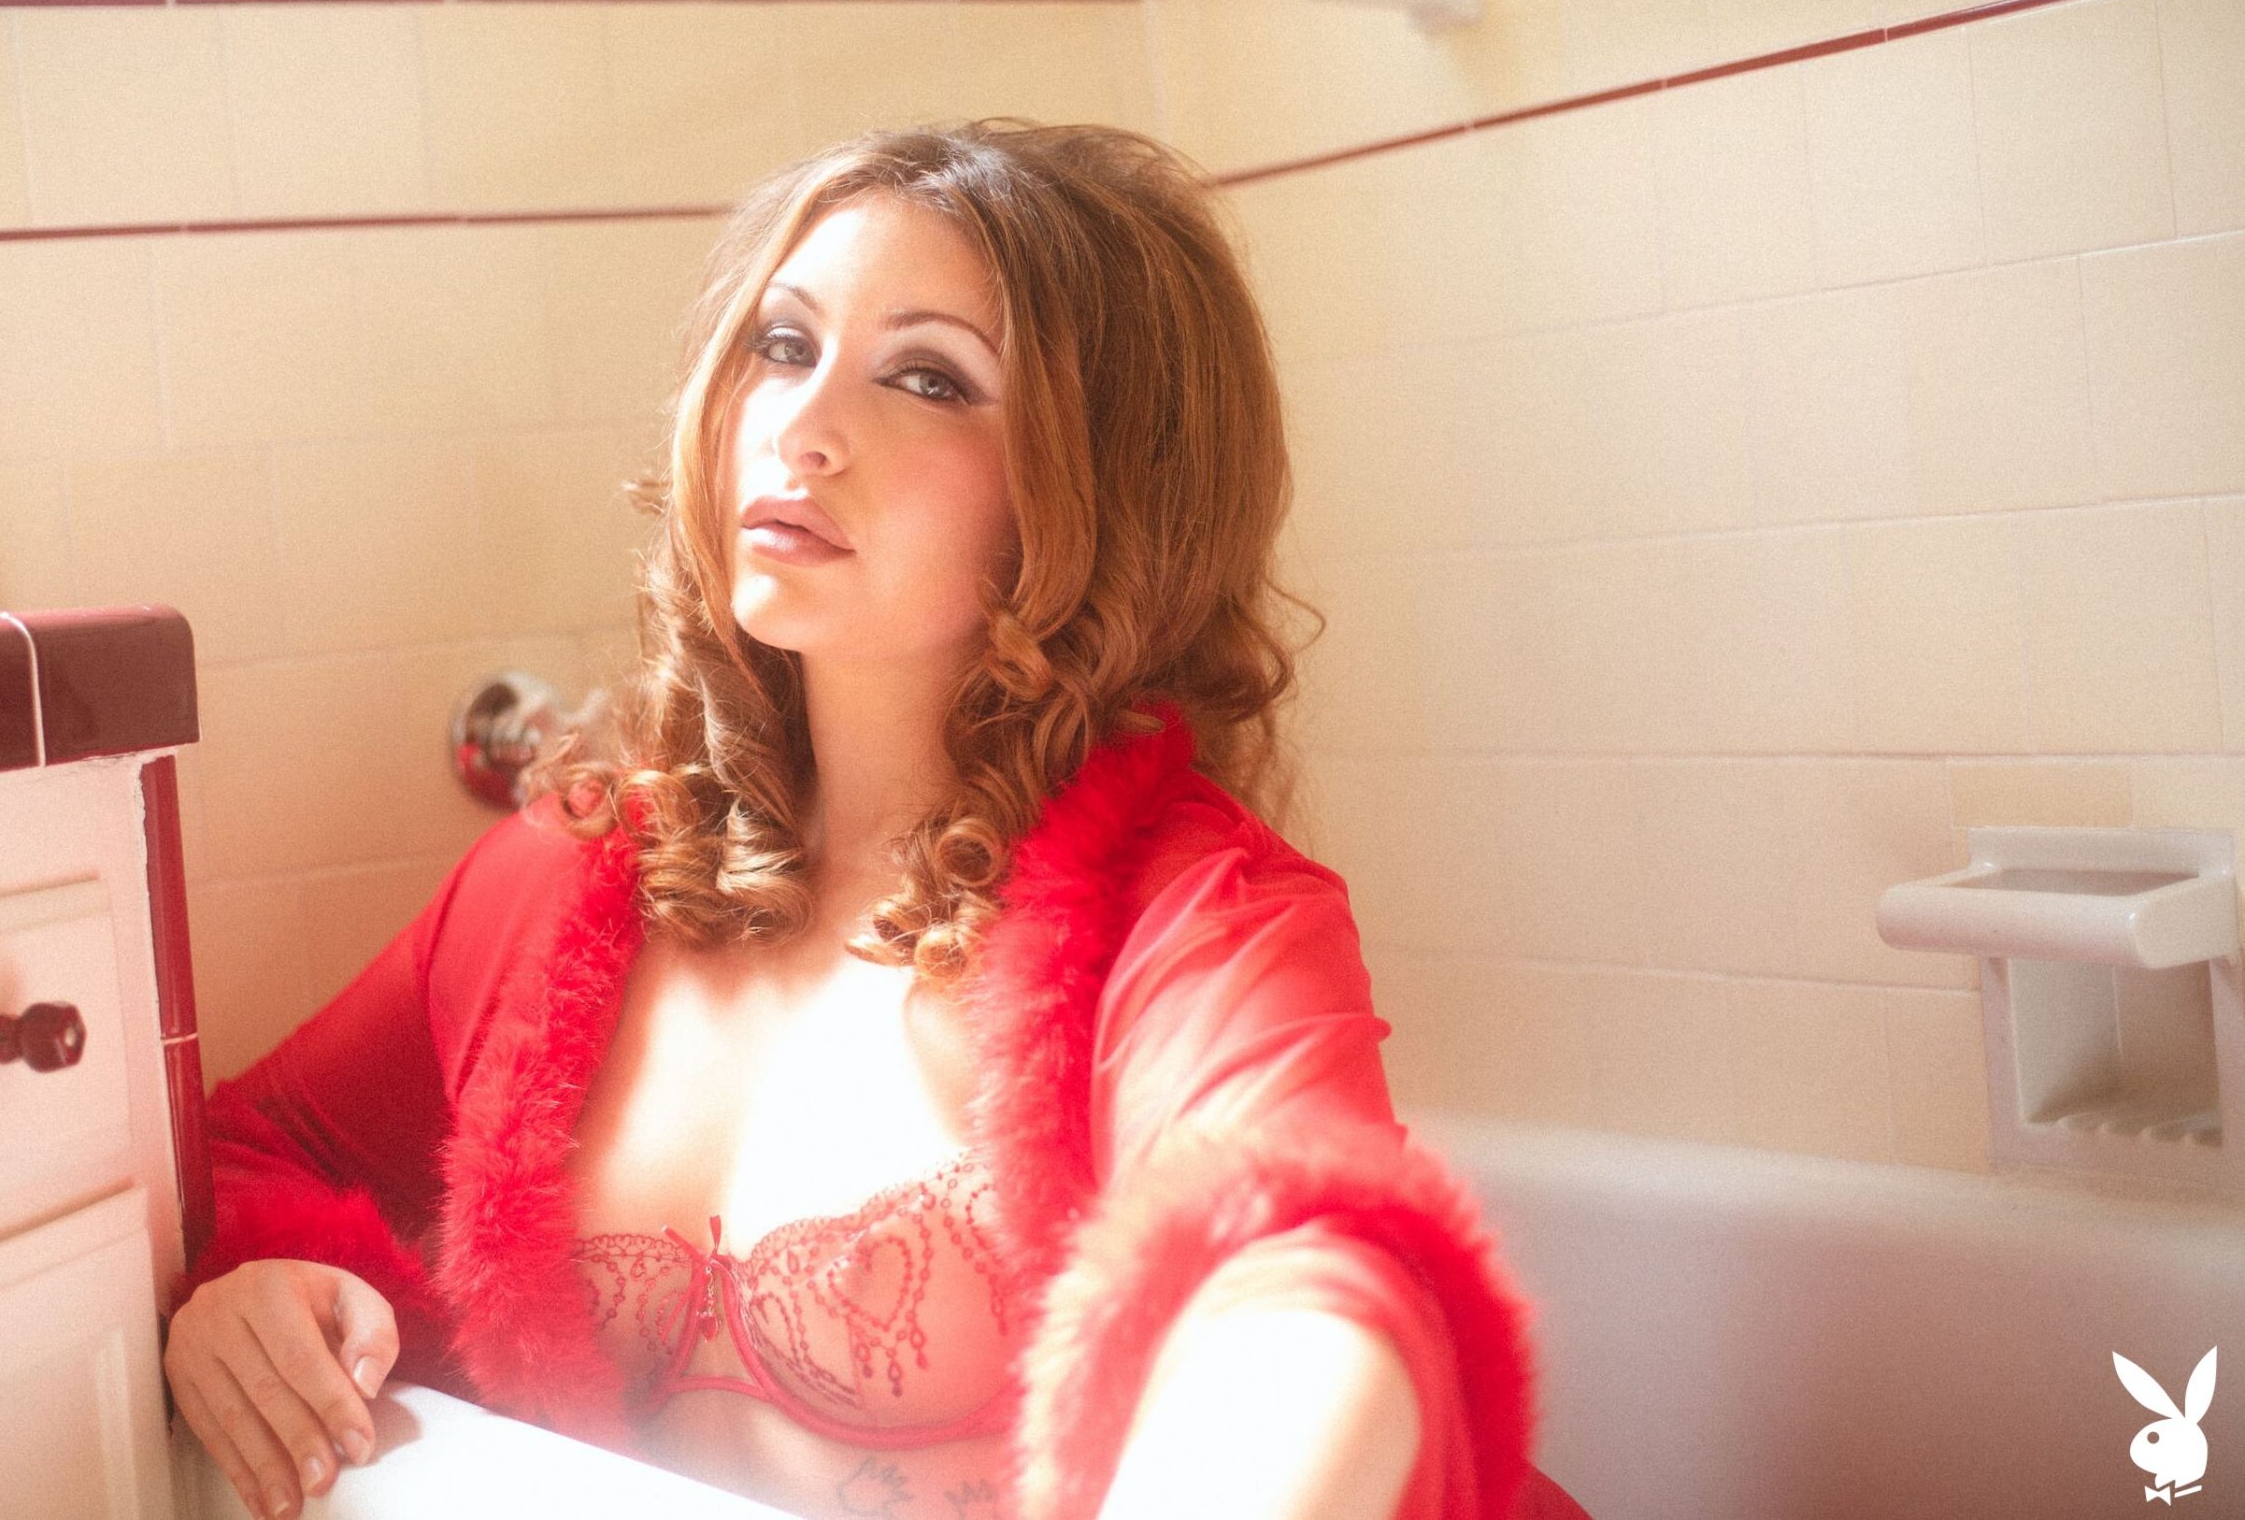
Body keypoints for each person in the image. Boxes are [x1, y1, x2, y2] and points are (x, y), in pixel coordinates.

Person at [160, 119, 1591, 1520]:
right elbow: (242, 1156)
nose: (803, 425)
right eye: (783, 345)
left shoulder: (1190, 921)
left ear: (1096, 490)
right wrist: (264, 1291)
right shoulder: (568, 879)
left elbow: (1313, 1290)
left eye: (927, 377)